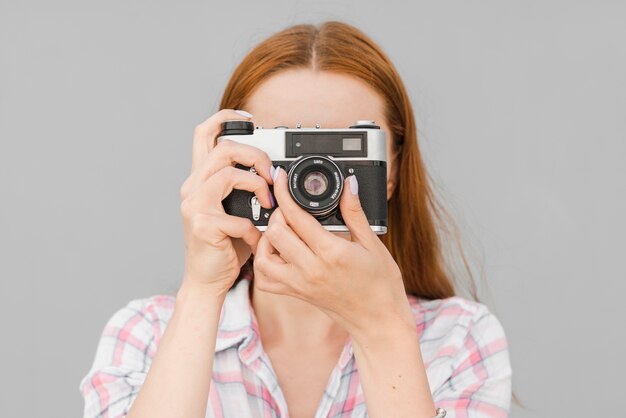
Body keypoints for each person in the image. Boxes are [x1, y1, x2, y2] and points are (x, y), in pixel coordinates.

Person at [79, 21, 512, 418]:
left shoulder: (460, 340)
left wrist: (382, 328)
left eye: (343, 150)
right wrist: (202, 288)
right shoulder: (146, 335)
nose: (312, 180)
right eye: (286, 151)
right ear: (229, 160)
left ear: (392, 171)